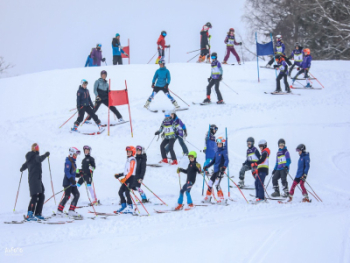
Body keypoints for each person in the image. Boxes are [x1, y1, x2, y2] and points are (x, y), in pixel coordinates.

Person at [20, 143, 50, 221]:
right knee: (34, 196)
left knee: (41, 195)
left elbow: (25, 165)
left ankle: (38, 213)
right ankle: (30, 214)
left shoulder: (30, 158)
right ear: (33, 148)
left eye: (37, 147)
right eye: (36, 147)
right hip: (34, 179)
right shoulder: (34, 156)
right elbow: (39, 159)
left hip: (37, 179)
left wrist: (22, 168)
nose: (37, 149)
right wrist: (46, 155)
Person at [56, 147, 82, 218]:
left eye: (76, 155)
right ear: (71, 154)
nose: (76, 157)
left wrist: (79, 175)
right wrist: (71, 179)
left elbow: (73, 173)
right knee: (67, 196)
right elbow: (67, 172)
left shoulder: (73, 162)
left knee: (77, 194)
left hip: (72, 184)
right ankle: (59, 211)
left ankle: (71, 210)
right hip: (67, 182)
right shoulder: (68, 162)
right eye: (75, 155)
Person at [202, 137, 229, 204]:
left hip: (220, 170)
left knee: (217, 184)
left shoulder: (224, 152)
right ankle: (208, 197)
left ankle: (221, 198)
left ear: (223, 144)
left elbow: (227, 160)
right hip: (215, 171)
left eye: (220, 144)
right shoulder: (217, 152)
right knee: (210, 183)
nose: (219, 145)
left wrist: (224, 167)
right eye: (218, 144)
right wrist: (206, 166)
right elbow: (213, 161)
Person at [114, 146, 137, 214]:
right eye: (128, 152)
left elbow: (131, 171)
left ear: (133, 152)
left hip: (131, 178)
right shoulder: (128, 159)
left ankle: (130, 207)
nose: (128, 153)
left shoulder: (132, 160)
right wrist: (119, 175)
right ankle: (123, 206)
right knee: (120, 192)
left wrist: (125, 178)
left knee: (127, 192)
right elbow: (126, 171)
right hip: (127, 177)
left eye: (130, 152)